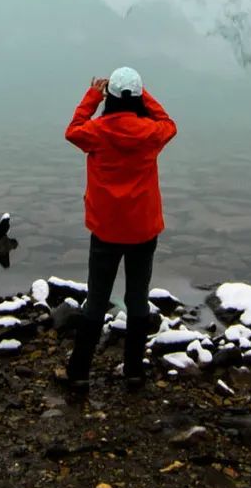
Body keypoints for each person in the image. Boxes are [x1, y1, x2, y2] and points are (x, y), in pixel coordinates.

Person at [62, 65, 177, 390]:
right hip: (143, 230)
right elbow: (169, 123)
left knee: (97, 299)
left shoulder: (96, 132)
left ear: (108, 99)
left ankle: (79, 372)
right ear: (139, 98)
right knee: (137, 298)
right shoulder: (151, 134)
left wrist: (92, 96)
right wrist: (144, 95)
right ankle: (133, 371)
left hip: (106, 231)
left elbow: (73, 130)